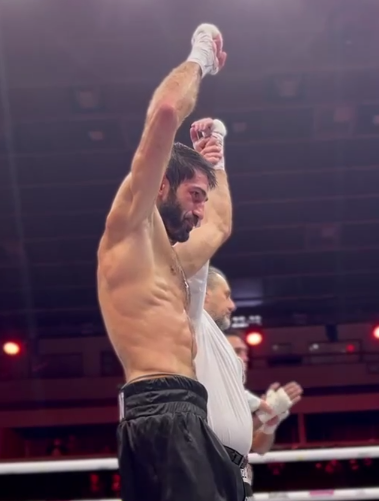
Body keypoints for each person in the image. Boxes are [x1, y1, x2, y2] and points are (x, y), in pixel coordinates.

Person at [97, 23, 243, 501]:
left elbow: (220, 228)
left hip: (185, 409)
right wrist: (201, 58)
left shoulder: (173, 262)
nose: (200, 210)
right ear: (162, 185)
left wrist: (216, 162)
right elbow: (164, 112)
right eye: (194, 195)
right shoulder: (130, 227)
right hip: (160, 410)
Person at [178, 118, 261, 488]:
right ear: (205, 291)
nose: (233, 306)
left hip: (229, 473)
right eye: (226, 295)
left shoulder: (216, 340)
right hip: (204, 469)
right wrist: (212, 166)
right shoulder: (188, 310)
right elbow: (212, 227)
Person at [224, 330, 303, 496]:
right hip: (215, 481)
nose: (245, 357)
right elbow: (223, 436)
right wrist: (266, 413)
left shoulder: (241, 393)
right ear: (219, 352)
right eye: (238, 351)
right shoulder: (209, 388)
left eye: (245, 352)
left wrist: (270, 424)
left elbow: (260, 447)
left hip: (239, 482)